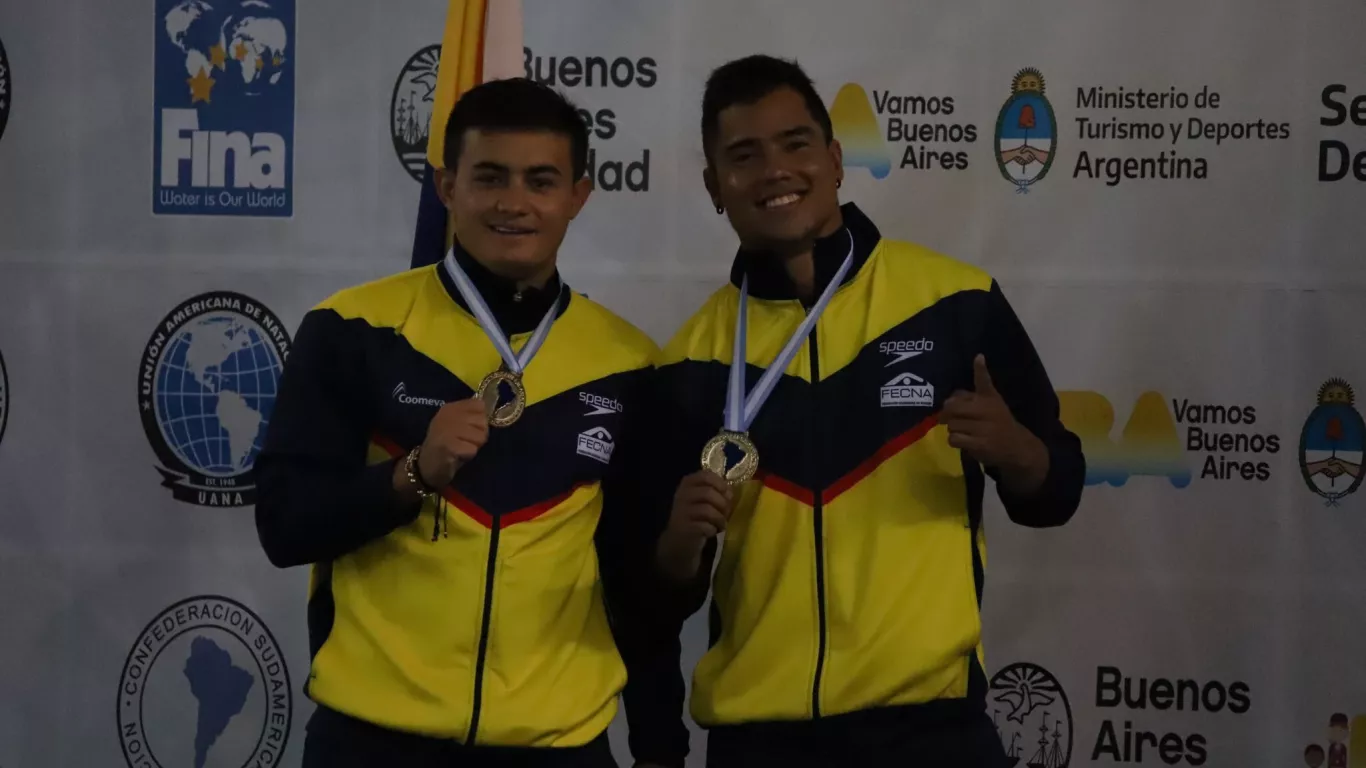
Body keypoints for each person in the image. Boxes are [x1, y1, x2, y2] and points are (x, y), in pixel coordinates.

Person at [650, 54, 1086, 766]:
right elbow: (662, 595)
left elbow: (1058, 490)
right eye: (744, 156)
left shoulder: (956, 304)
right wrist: (677, 546)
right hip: (759, 742)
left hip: (931, 734)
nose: (775, 171)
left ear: (834, 159)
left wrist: (1019, 453)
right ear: (714, 187)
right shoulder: (688, 362)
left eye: (795, 144)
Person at [255, 77, 688, 768]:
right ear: (447, 186)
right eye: (490, 177)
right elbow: (285, 525)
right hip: (374, 740)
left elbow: (632, 590)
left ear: (578, 195)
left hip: (558, 746)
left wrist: (660, 746)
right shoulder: (354, 329)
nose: (514, 202)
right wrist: (411, 474)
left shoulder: (628, 362)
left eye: (541, 181)